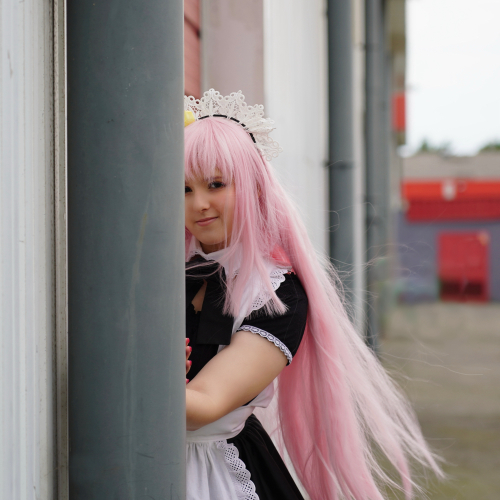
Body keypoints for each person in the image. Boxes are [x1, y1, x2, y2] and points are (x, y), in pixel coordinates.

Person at [183, 89, 442, 500]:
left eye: (216, 184)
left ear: (253, 187)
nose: (199, 203)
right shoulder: (155, 277)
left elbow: (204, 405)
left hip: (219, 474)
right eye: (184, 189)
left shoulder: (276, 295)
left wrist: (132, 374)